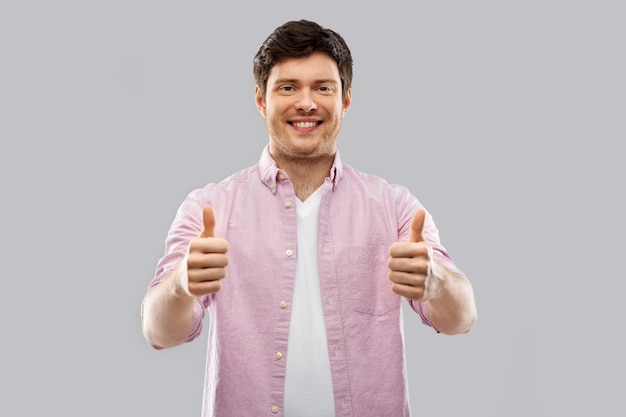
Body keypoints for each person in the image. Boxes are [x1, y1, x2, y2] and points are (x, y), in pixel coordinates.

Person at [141, 19, 477, 417]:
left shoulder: (395, 207)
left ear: (345, 100)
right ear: (261, 100)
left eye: (323, 87)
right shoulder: (209, 207)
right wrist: (181, 285)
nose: (306, 103)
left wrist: (436, 283)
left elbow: (462, 319)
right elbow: (158, 331)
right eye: (288, 87)